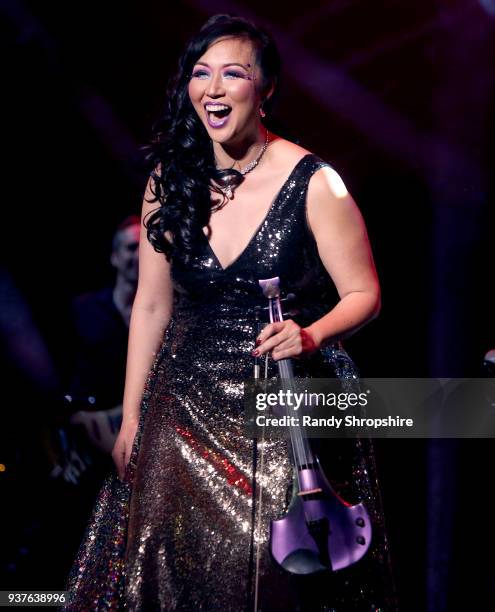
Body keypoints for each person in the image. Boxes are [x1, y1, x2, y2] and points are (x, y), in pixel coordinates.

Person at [64, 14, 396, 611]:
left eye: (232, 74)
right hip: (181, 404)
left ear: (264, 89)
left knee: (269, 574)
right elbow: (151, 305)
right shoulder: (169, 179)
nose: (213, 89)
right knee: (162, 564)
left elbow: (365, 294)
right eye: (200, 73)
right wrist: (134, 419)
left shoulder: (315, 180)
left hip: (276, 409)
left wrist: (311, 333)